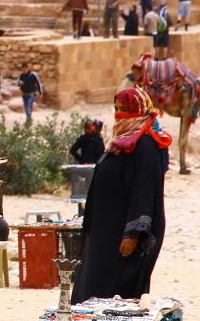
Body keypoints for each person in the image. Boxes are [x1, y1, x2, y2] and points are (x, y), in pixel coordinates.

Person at [70, 86, 169, 304]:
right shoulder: (122, 142)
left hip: (125, 237)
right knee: (91, 291)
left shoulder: (146, 145)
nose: (119, 114)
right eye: (116, 108)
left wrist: (133, 233)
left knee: (116, 295)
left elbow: (144, 190)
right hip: (106, 232)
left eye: (124, 109)